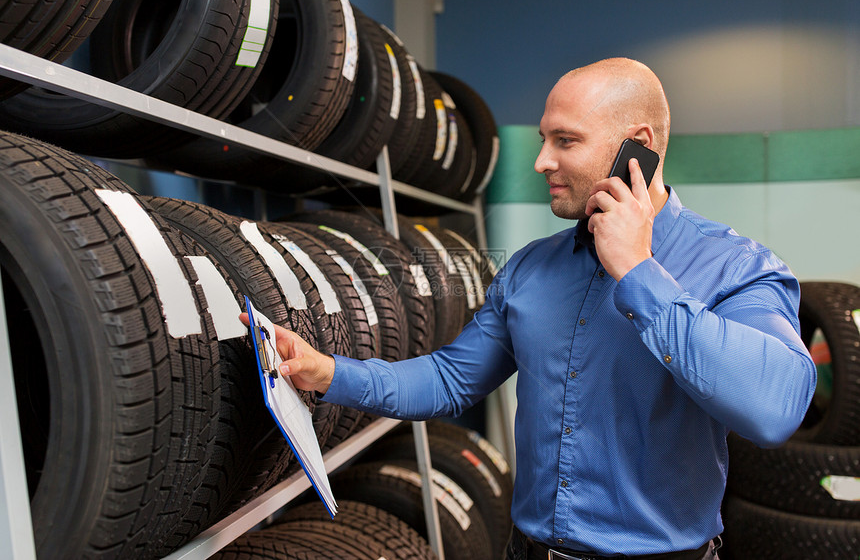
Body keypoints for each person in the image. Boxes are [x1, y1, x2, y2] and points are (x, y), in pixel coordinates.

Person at [241, 58, 816, 560]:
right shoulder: (529, 269)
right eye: (545, 139)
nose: (541, 161)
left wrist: (639, 273)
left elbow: (773, 410)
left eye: (565, 141)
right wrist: (327, 372)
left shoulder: (736, 266)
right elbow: (449, 380)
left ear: (637, 146)